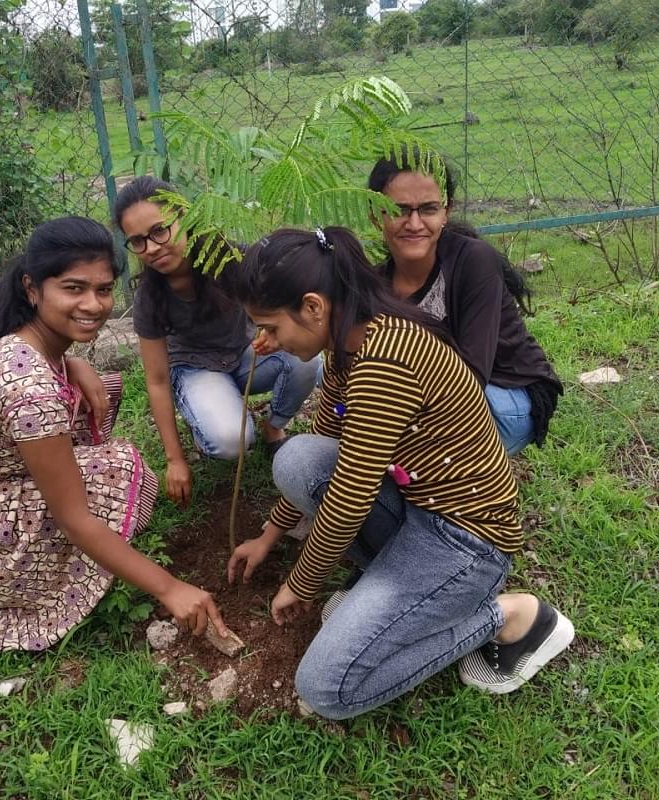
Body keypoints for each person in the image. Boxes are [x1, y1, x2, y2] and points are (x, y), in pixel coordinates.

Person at [226, 226, 574, 720]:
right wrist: (270, 534)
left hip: (467, 542)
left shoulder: (383, 362)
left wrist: (301, 584)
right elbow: (330, 435)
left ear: (313, 307)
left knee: (327, 688)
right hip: (418, 512)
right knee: (298, 459)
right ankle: (390, 597)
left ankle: (510, 617)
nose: (266, 341)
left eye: (270, 327)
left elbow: (349, 498)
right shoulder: (350, 338)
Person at [0, 216, 227, 661]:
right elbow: (74, 519)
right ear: (32, 288)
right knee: (116, 471)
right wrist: (171, 588)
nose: (94, 304)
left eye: (103, 290)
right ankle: (23, 591)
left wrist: (73, 364)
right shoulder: (30, 390)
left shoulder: (13, 337)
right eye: (74, 288)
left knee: (102, 391)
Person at [113, 177, 319, 505]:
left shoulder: (229, 258)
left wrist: (275, 335)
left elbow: (281, 301)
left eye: (159, 230)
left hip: (245, 354)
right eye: (137, 241)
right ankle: (210, 417)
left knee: (306, 359)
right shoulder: (150, 297)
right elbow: (156, 379)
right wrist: (174, 460)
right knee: (229, 442)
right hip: (196, 369)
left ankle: (274, 427)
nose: (151, 248)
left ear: (186, 218)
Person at [368, 145, 563, 456]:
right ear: (376, 215)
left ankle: (462, 478)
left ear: (447, 210)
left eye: (428, 209)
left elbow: (470, 379)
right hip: (430, 401)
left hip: (502, 397)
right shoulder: (377, 284)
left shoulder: (472, 261)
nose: (415, 224)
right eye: (400, 210)